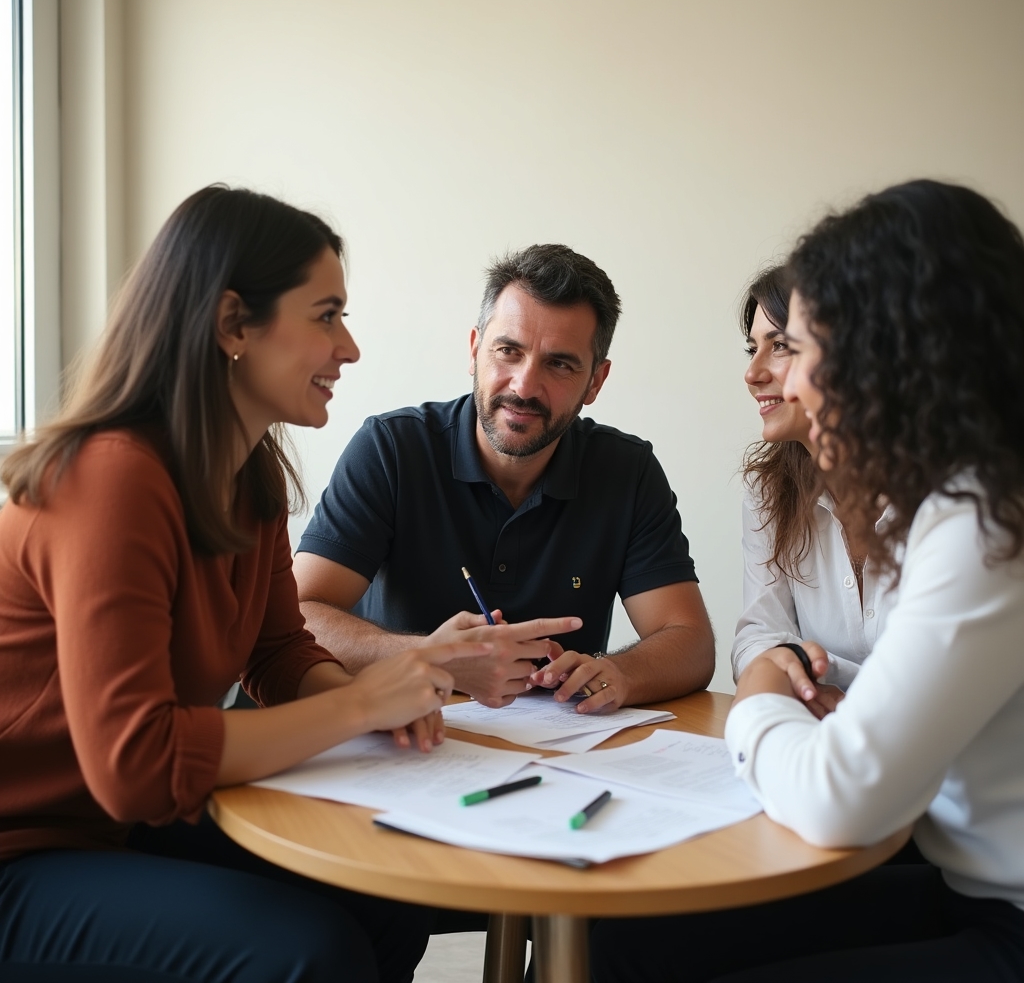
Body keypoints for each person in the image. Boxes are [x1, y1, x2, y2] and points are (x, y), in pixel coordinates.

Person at [0, 185, 580, 983]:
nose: (349, 349)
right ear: (234, 324)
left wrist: (378, 711)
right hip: (24, 845)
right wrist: (360, 703)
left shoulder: (249, 480)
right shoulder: (112, 479)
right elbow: (137, 763)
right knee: (308, 952)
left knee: (388, 890)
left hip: (108, 825)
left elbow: (276, 653)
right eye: (326, 314)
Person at [592, 180, 1024, 981]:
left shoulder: (989, 520)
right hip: (956, 870)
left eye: (804, 346)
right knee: (625, 936)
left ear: (892, 350)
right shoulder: (960, 495)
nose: (784, 382)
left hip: (1004, 910)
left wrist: (758, 693)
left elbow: (841, 797)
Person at [293, 243, 715, 714]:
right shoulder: (391, 448)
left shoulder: (628, 471)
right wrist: (436, 659)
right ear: (475, 350)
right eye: (508, 351)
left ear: (595, 381)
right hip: (403, 742)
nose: (524, 386)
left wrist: (622, 673)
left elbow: (691, 642)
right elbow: (297, 617)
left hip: (563, 757)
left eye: (559, 364)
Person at [732, 266, 899, 718]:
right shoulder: (768, 491)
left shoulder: (945, 496)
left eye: (780, 345)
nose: (752, 372)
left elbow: (938, 684)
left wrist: (801, 676)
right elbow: (757, 635)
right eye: (753, 348)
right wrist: (790, 672)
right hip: (822, 734)